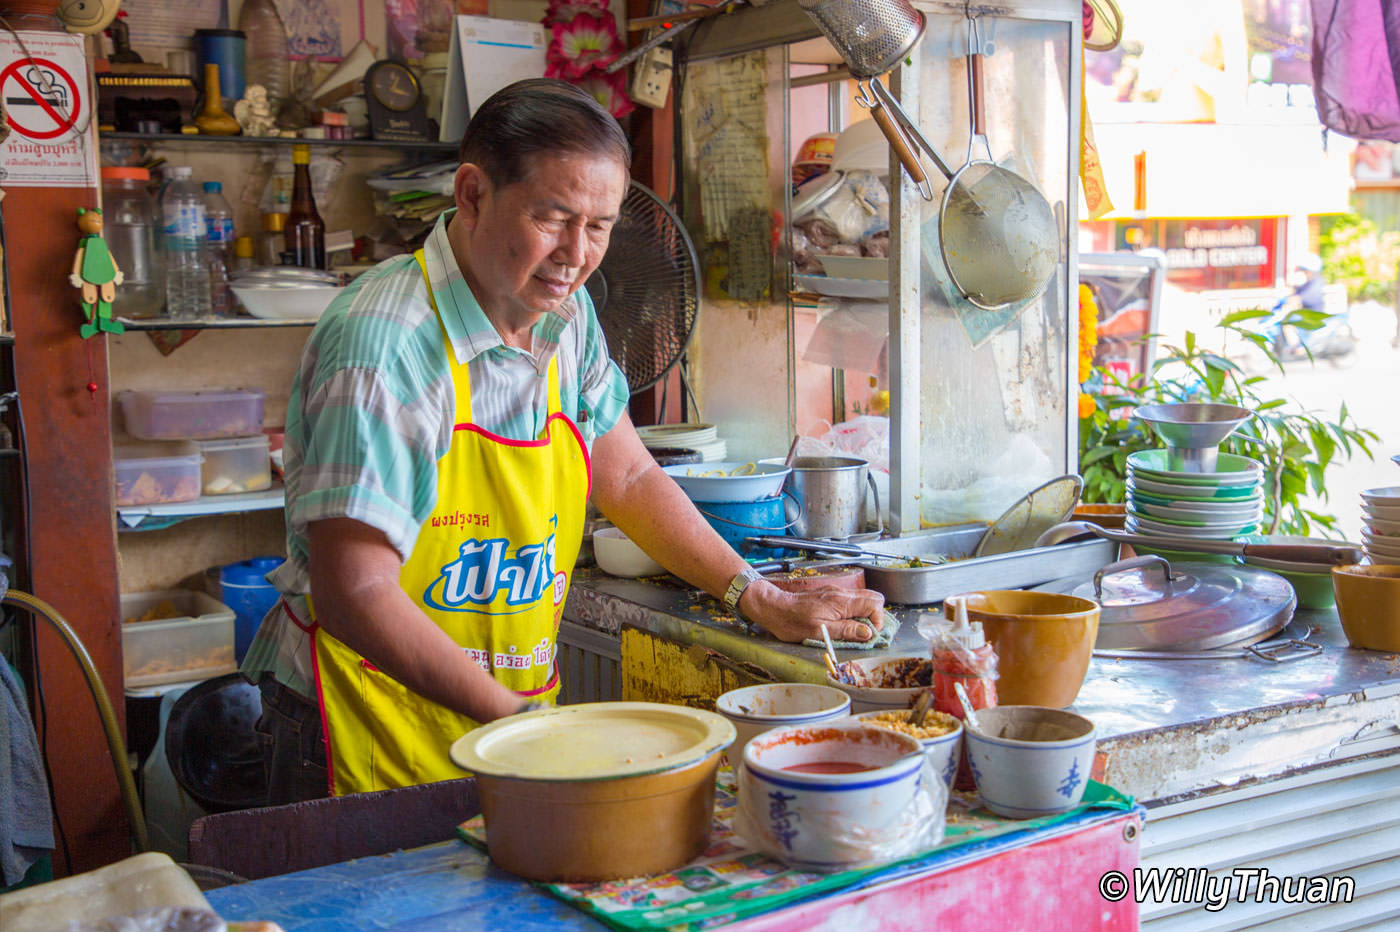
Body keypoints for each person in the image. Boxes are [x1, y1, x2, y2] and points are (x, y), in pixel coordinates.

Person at [240, 79, 884, 804]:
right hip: (359, 728)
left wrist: (758, 596)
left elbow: (630, 477)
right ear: (474, 194)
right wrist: (524, 729)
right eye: (553, 218)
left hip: (498, 726)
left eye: (600, 226)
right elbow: (354, 590)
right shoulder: (387, 346)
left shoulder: (562, 314)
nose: (576, 256)